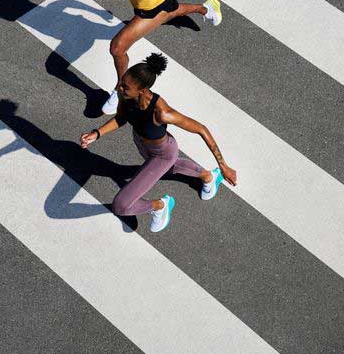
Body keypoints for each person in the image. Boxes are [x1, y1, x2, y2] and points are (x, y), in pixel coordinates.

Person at [80, 53, 237, 232]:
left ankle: (161, 206)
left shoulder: (161, 112)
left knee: (121, 206)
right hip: (142, 144)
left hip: (163, 153)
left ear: (143, 90)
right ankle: (209, 176)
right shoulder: (126, 96)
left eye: (125, 86)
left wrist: (223, 165)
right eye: (122, 82)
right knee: (170, 168)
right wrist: (97, 133)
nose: (120, 88)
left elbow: (201, 129)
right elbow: (122, 117)